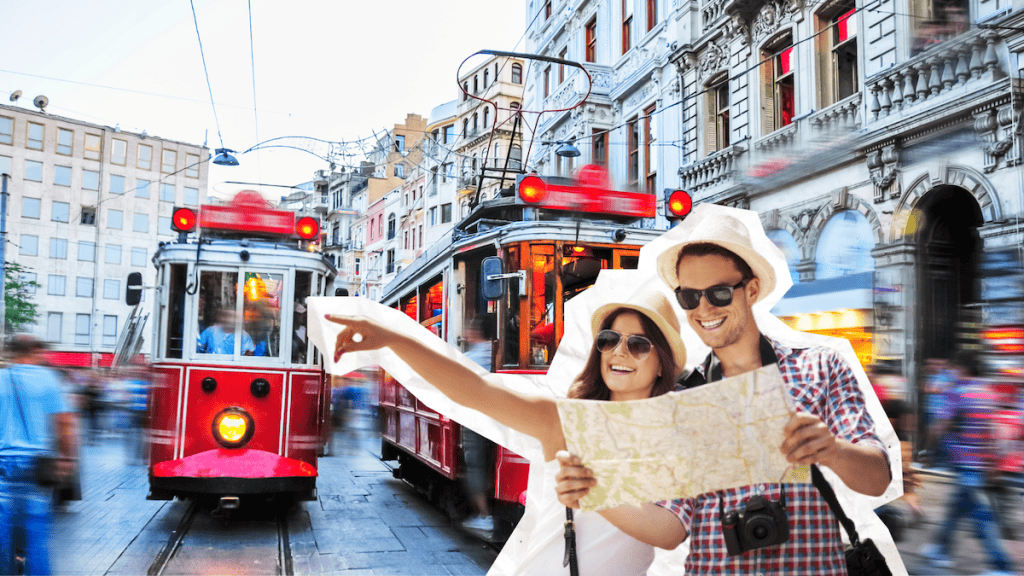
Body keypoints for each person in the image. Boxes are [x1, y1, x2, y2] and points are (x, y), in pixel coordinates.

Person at [555, 213, 893, 574]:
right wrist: (592, 490)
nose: (704, 309)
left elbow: (877, 480)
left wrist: (832, 450)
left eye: (718, 293)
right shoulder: (682, 400)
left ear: (751, 289)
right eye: (689, 297)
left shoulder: (820, 367)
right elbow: (671, 527)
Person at [328, 290, 688, 575]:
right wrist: (393, 338)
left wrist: (595, 490)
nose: (619, 352)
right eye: (609, 340)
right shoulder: (565, 420)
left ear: (661, 364)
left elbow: (670, 531)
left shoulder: (676, 437)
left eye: (638, 344)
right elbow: (475, 389)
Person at [919, 350, 1016, 575]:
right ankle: (940, 550)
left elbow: (939, 426)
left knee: (981, 517)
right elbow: (993, 430)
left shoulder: (957, 393)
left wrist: (926, 451)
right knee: (956, 509)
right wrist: (992, 461)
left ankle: (1002, 567)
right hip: (979, 462)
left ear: (963, 368)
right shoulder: (988, 392)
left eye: (954, 368)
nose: (951, 372)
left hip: (965, 463)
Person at [0, 335, 79, 575]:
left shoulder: (1, 378)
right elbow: (65, 422)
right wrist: (67, 457)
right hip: (37, 466)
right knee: (36, 534)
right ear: (33, 351)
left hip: (2, 464)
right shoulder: (47, 379)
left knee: (3, 534)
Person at [460, 316, 496, 534]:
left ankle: (484, 516)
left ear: (474, 331)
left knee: (474, 466)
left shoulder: (469, 358)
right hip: (495, 418)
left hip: (475, 420)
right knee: (487, 464)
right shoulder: (496, 353)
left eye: (468, 327)